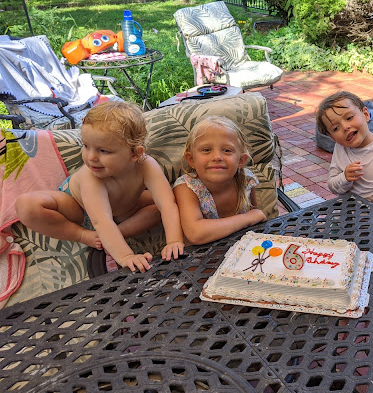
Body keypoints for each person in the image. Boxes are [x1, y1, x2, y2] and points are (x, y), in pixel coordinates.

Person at [16, 101, 184, 273]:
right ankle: (85, 235)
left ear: (135, 153)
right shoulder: (91, 176)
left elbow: (167, 204)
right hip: (77, 208)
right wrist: (126, 256)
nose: (91, 157)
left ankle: (116, 234)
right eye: (86, 146)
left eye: (103, 151)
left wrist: (174, 241)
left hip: (122, 210)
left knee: (167, 203)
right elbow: (101, 221)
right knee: (27, 205)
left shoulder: (146, 165)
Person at [173, 116, 267, 245]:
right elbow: (195, 233)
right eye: (206, 150)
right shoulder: (187, 187)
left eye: (227, 150)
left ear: (241, 161)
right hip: (205, 255)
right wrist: (246, 218)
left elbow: (256, 220)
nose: (217, 157)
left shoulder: (245, 180)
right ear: (191, 159)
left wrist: (252, 218)